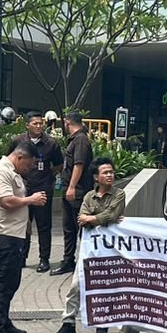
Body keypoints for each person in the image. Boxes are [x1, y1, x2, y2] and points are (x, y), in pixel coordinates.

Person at [53, 157, 125, 333]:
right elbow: (81, 218)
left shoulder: (119, 194)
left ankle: (102, 326)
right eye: (105, 172)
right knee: (76, 286)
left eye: (111, 172)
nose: (109, 175)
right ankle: (68, 323)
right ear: (95, 177)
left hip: (109, 251)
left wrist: (93, 219)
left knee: (105, 287)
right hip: (89, 249)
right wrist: (100, 219)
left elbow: (112, 214)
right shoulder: (88, 197)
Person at [0, 141, 47, 333]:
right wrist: (31, 200)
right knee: (3, 283)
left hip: (16, 234)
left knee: (12, 281)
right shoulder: (0, 172)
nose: (29, 169)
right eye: (28, 164)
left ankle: (4, 323)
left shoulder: (13, 172)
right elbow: (7, 201)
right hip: (6, 234)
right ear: (20, 157)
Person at [12, 111, 63, 272]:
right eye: (35, 123)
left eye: (41, 123)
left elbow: (59, 164)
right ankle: (21, 256)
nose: (39, 126)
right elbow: (10, 160)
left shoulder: (51, 143)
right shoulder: (18, 141)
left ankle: (44, 259)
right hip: (23, 189)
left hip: (43, 189)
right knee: (22, 224)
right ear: (27, 125)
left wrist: (48, 176)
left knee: (44, 225)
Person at [54, 111, 95, 275]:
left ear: (67, 123)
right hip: (69, 191)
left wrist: (72, 187)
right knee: (69, 228)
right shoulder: (75, 139)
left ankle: (86, 262)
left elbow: (79, 164)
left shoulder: (81, 140)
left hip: (78, 192)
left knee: (81, 228)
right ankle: (68, 261)